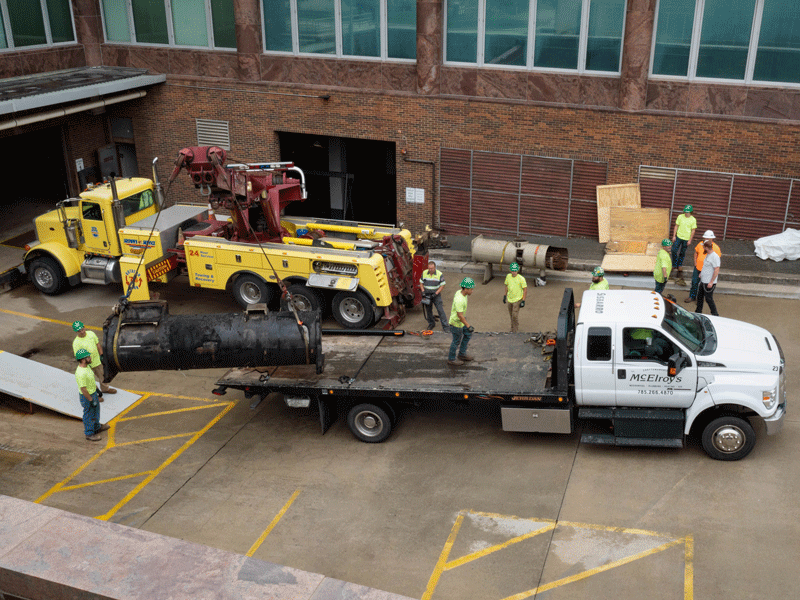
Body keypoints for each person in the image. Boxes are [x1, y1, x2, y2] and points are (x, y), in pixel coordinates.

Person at [72, 321, 116, 398]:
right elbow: (78, 356)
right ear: (76, 332)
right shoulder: (76, 343)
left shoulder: (91, 334)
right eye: (79, 331)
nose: (82, 332)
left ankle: (105, 389)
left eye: (82, 329)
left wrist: (102, 355)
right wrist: (85, 365)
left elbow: (97, 344)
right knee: (90, 381)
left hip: (97, 361)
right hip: (87, 365)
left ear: (84, 327)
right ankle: (94, 395)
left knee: (103, 376)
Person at [75, 349, 110, 442]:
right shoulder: (80, 373)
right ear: (83, 360)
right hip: (87, 397)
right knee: (89, 415)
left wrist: (97, 390)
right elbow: (83, 389)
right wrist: (91, 400)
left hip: (93, 393)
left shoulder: (87, 367)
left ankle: (97, 427)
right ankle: (89, 433)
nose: (90, 358)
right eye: (88, 357)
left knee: (96, 412)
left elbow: (91, 380)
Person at [685, 230, 721, 304]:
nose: (706, 239)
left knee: (704, 285)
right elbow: (696, 253)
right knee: (694, 283)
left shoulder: (716, 248)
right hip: (698, 268)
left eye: (708, 238)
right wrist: (695, 263)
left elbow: (717, 261)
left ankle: (700, 299)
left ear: (712, 239)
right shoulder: (700, 244)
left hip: (708, 270)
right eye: (705, 238)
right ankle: (692, 296)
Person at [447, 277, 475, 366]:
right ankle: (451, 359)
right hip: (456, 323)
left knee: (467, 334)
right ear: (466, 289)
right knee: (456, 341)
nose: (472, 291)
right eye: (471, 289)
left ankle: (462, 354)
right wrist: (468, 325)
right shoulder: (459, 300)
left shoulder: (461, 293)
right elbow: (460, 315)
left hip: (461, 321)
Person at [419, 260, 449, 332]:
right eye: (429, 268)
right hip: (427, 294)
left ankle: (446, 327)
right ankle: (431, 323)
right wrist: (423, 291)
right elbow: (421, 283)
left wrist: (436, 293)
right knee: (428, 311)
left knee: (440, 310)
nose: (430, 270)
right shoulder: (424, 273)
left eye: (432, 268)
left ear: (435, 267)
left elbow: (442, 285)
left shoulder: (439, 274)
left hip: (436, 295)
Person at [671, 205, 697, 286]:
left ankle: (679, 265)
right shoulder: (680, 217)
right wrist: (674, 236)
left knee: (682, 252)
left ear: (690, 212)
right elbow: (676, 226)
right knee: (674, 250)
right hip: (679, 236)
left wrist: (690, 240)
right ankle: (674, 264)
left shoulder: (693, 219)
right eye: (685, 211)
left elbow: (693, 231)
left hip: (686, 238)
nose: (686, 213)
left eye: (687, 212)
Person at [696, 238, 721, 316]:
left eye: (703, 247)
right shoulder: (708, 255)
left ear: (706, 247)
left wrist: (711, 282)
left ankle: (715, 314)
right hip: (703, 281)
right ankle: (698, 312)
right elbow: (706, 266)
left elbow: (716, 269)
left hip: (708, 282)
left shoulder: (715, 257)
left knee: (708, 299)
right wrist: (701, 274)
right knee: (699, 297)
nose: (703, 248)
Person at [503, 262, 527, 333]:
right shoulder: (508, 276)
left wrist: (523, 300)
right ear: (510, 270)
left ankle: (515, 331)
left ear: (517, 271)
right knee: (511, 315)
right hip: (510, 299)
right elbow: (506, 286)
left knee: (514, 315)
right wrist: (505, 295)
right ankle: (512, 328)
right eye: (512, 271)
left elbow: (525, 290)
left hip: (517, 300)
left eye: (515, 271)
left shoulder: (521, 279)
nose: (514, 272)